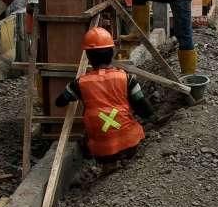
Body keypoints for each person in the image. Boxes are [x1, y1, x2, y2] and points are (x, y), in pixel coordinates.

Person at [56, 27, 153, 173]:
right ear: (112, 53)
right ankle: (127, 161)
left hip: (102, 148)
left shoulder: (79, 84)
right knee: (131, 133)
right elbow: (141, 105)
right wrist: (154, 118)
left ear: (88, 57)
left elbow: (60, 101)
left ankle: (109, 166)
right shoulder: (126, 78)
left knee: (91, 141)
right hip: (129, 140)